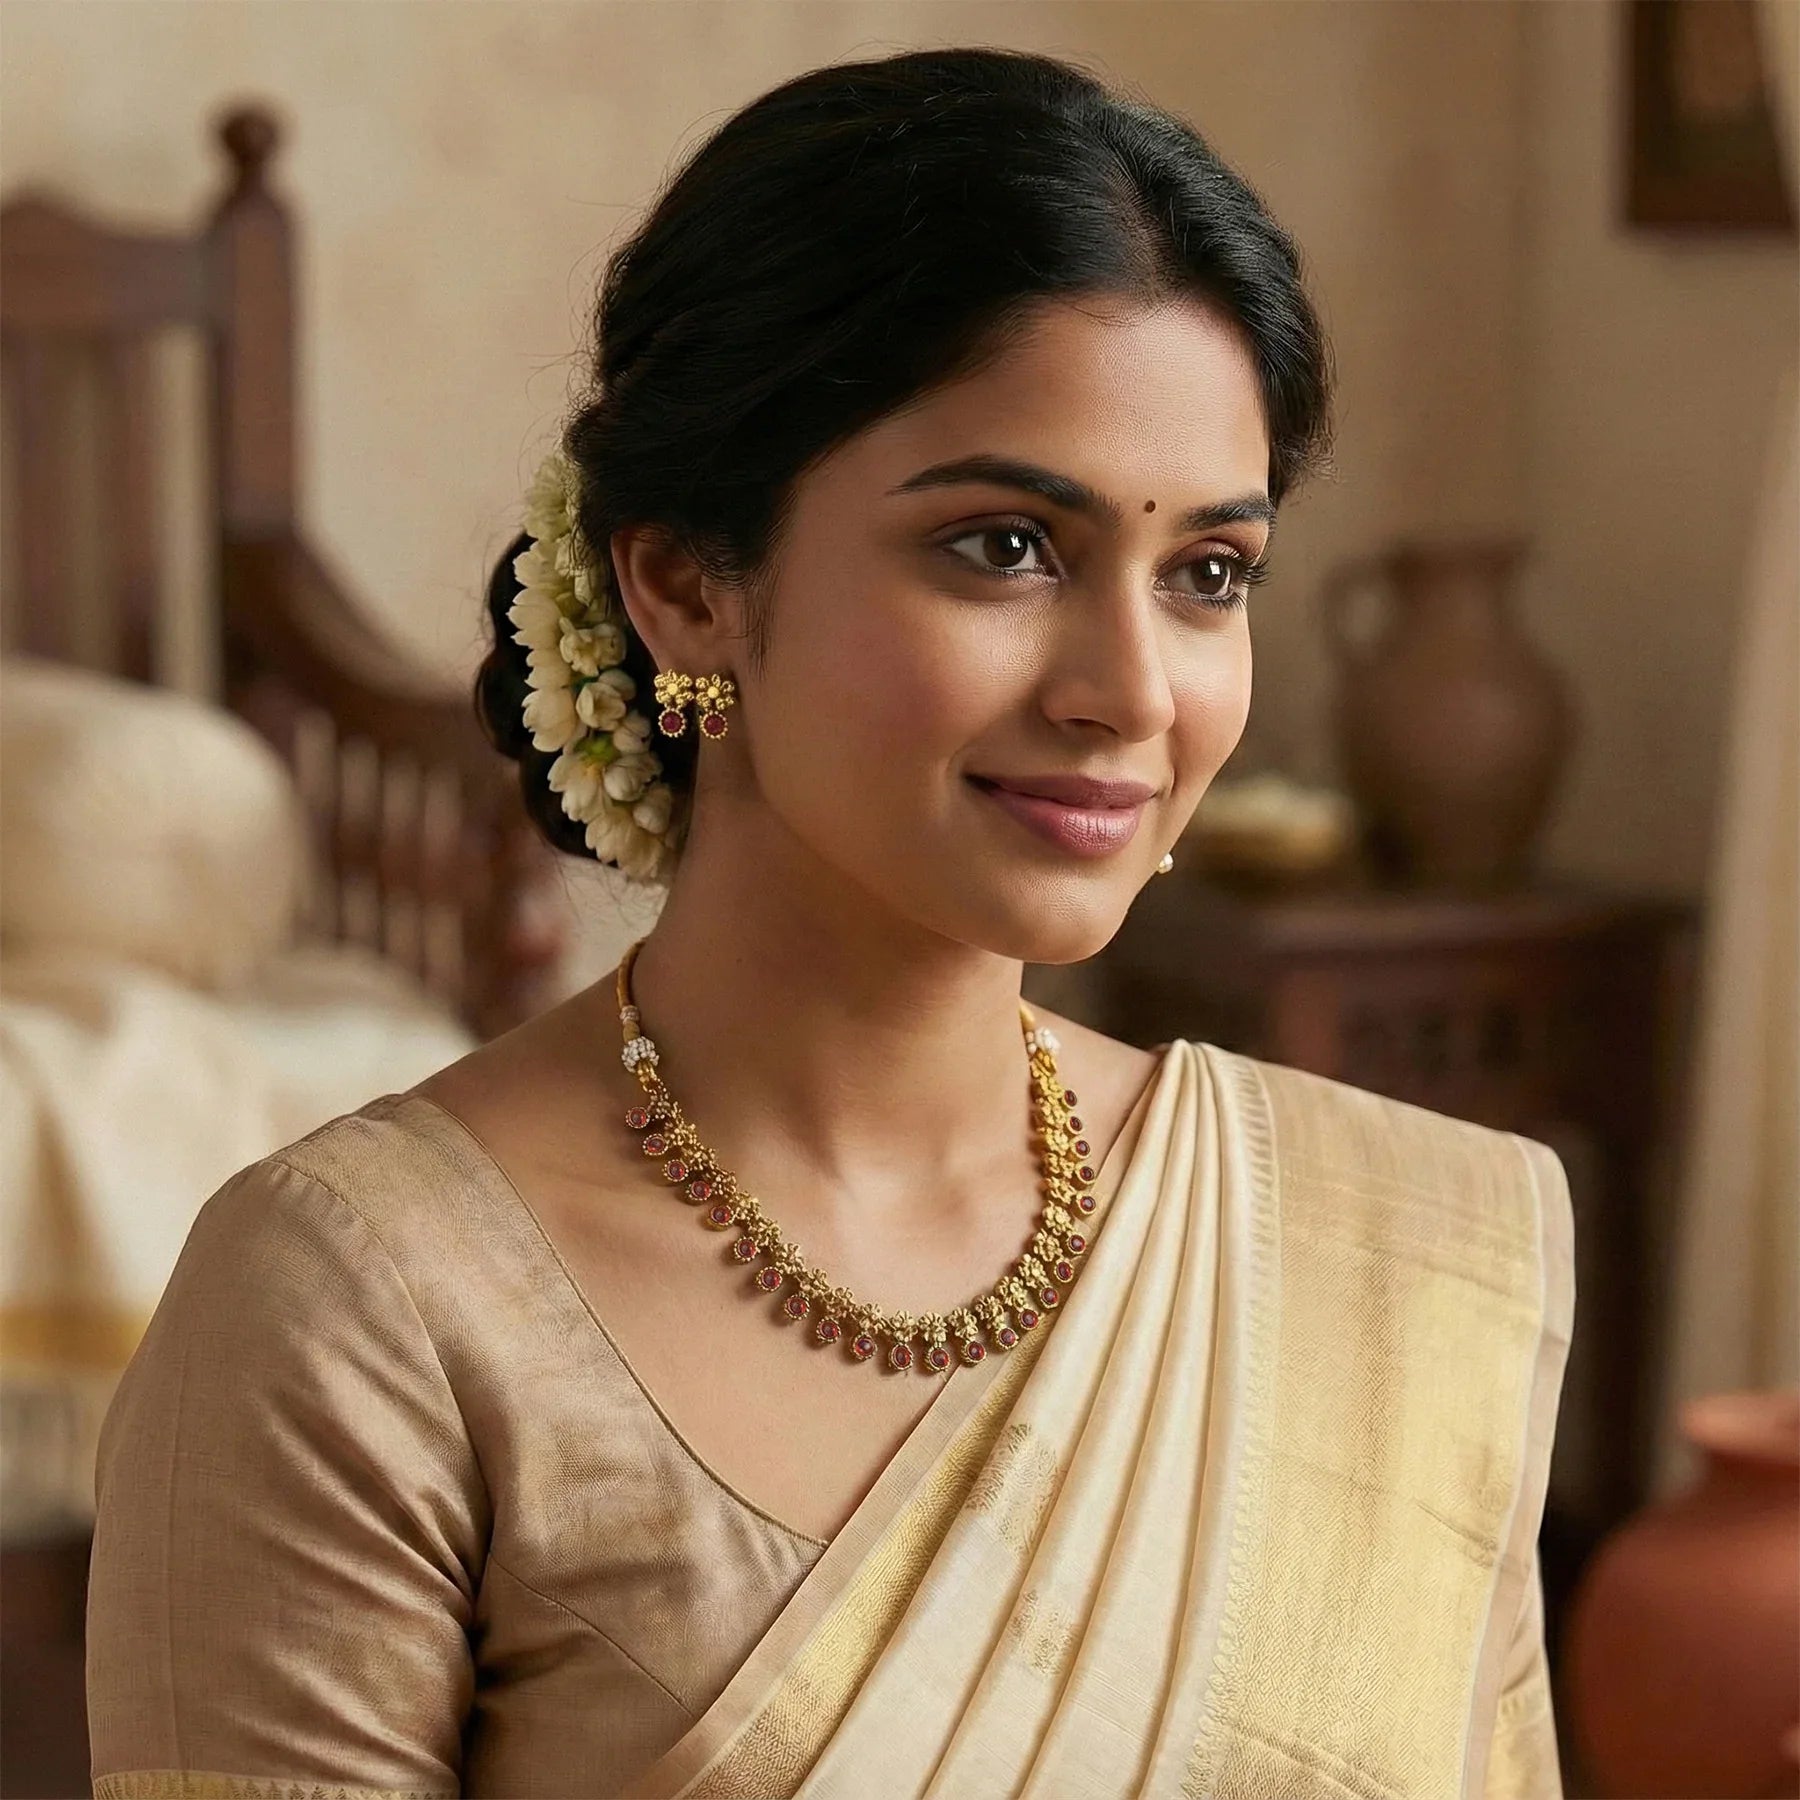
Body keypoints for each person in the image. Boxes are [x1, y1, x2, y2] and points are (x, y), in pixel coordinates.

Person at [85, 44, 1573, 1800]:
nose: (1132, 692)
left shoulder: (1407, 1249)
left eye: (1208, 576)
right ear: (685, 580)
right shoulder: (370, 1310)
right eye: (1006, 546)